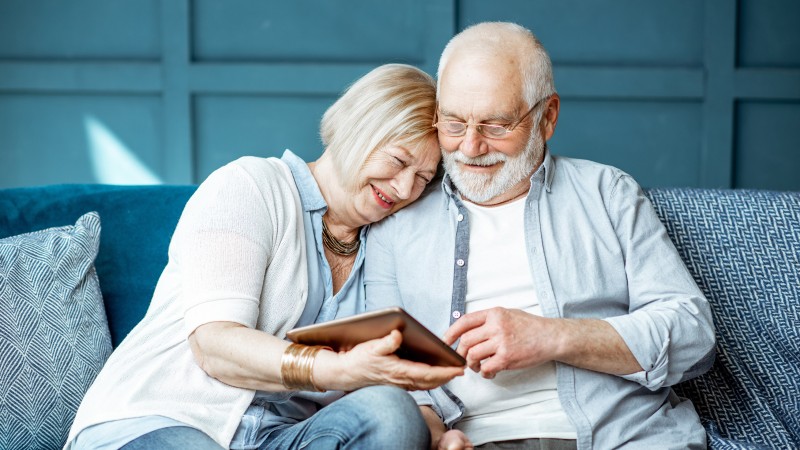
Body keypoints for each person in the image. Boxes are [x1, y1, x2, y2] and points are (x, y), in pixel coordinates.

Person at [66, 63, 464, 450]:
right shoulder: (251, 185)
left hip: (279, 436)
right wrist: (333, 369)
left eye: (422, 178)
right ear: (356, 129)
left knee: (391, 413)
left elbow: (394, 377)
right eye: (398, 161)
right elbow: (214, 345)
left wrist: (435, 434)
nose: (404, 189)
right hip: (167, 416)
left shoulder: (384, 246)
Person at [365, 22, 716, 450]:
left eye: (496, 125)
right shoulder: (398, 221)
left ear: (547, 117)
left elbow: (693, 336)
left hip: (623, 436)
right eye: (454, 124)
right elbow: (386, 363)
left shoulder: (607, 193)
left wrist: (552, 336)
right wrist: (430, 428)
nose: (470, 148)